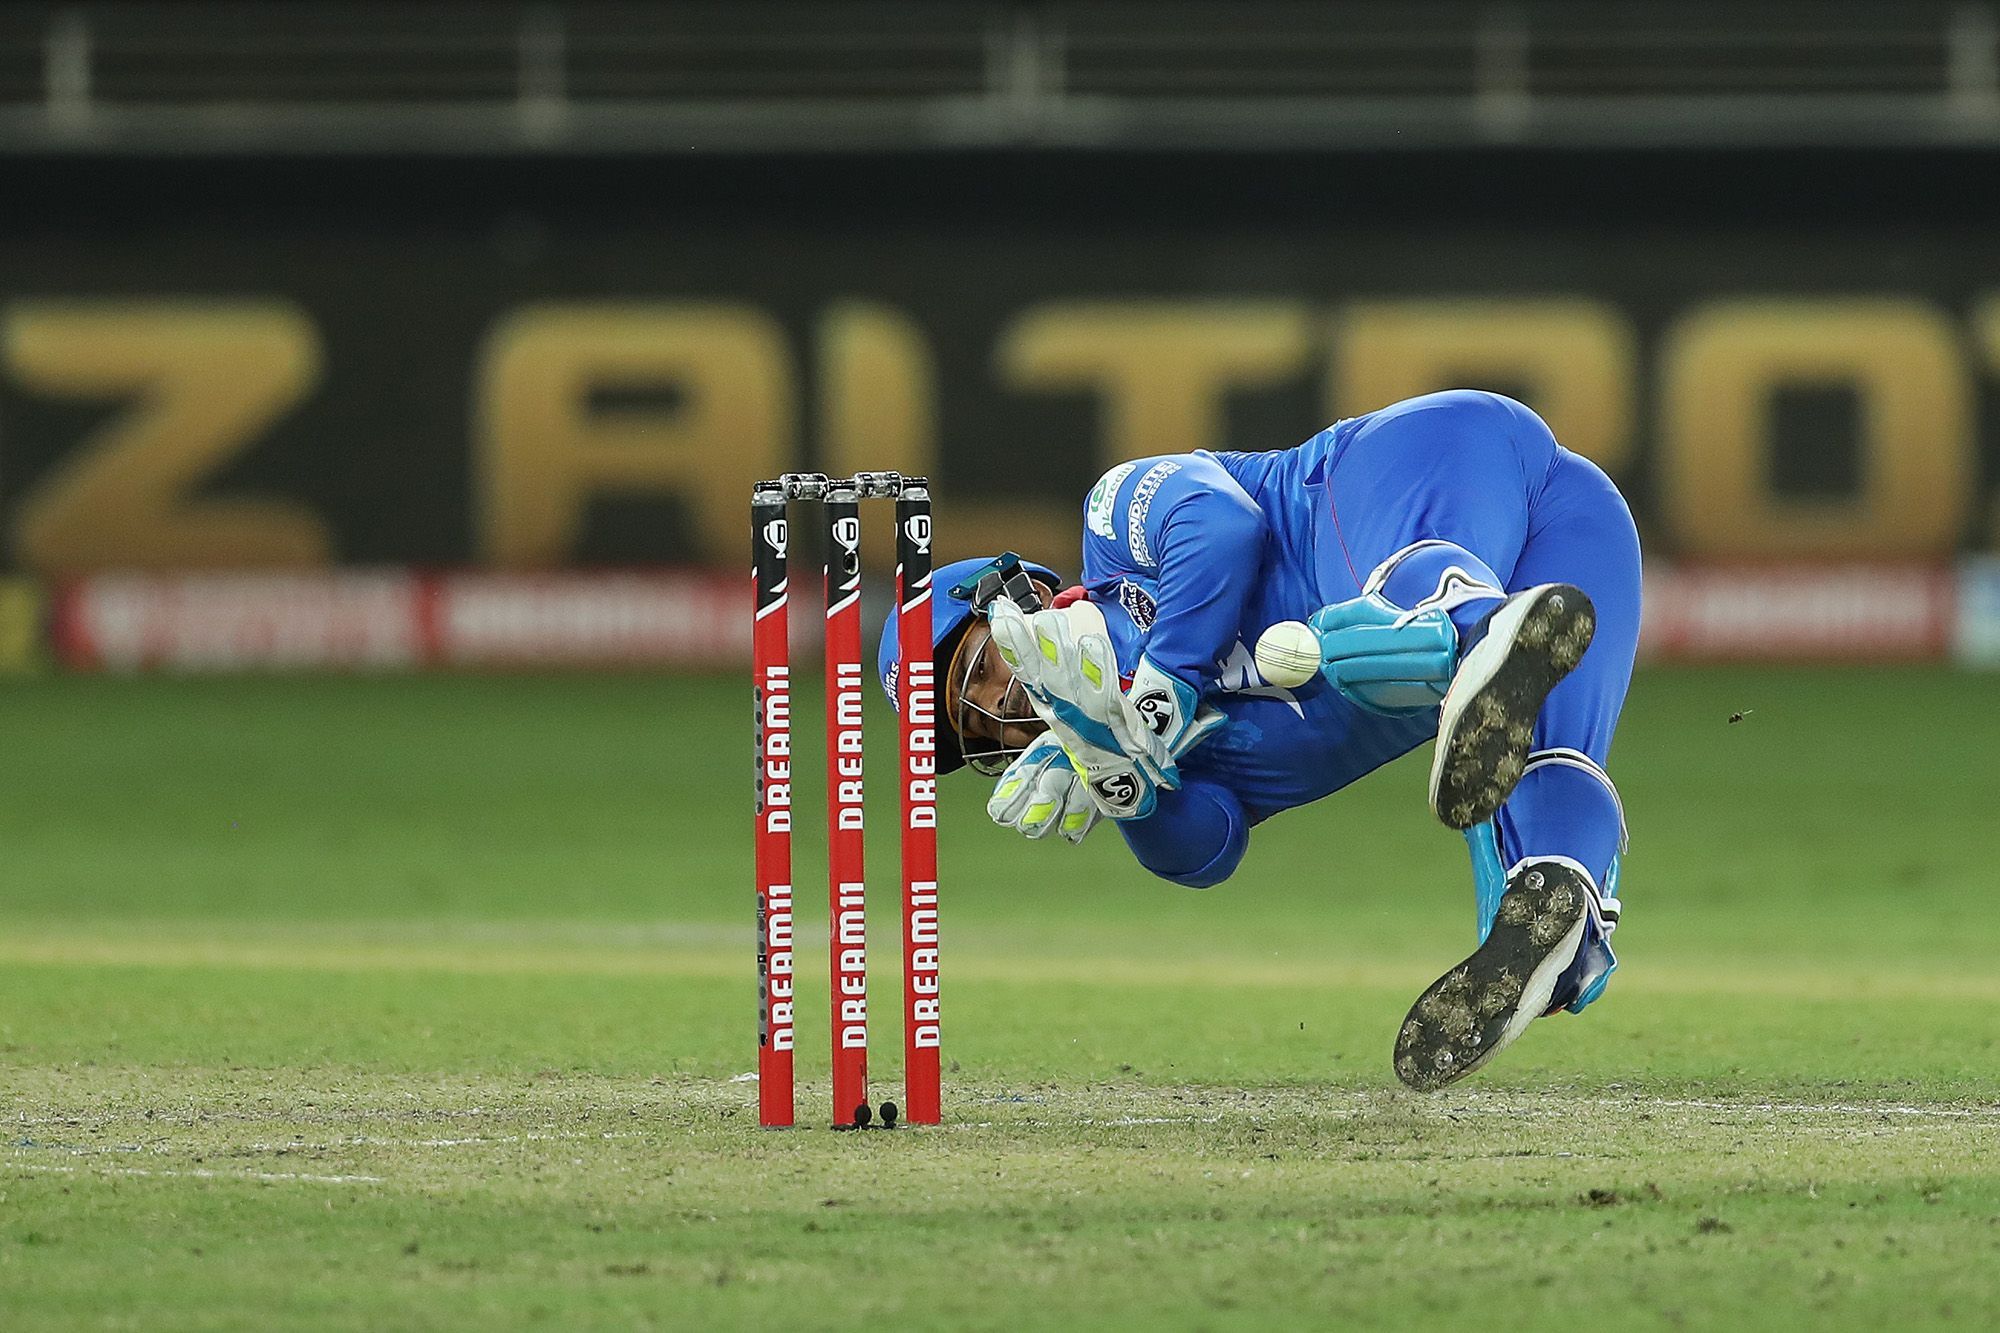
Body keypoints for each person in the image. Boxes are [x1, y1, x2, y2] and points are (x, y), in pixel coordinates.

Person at [876, 390, 1638, 1091]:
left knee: (1365, 642)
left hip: (1432, 461)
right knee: (1554, 768)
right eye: (977, 730)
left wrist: (1165, 680)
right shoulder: (1153, 759)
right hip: (1578, 540)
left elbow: (1219, 524)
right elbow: (1211, 850)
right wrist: (1130, 788)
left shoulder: (1111, 524)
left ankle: (1471, 626)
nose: (1000, 705)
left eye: (978, 669)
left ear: (1018, 594)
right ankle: (1561, 909)